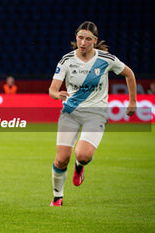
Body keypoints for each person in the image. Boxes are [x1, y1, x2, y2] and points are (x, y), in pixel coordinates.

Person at [48, 21, 137, 206]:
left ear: (94, 41)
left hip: (96, 113)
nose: (83, 42)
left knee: (82, 155)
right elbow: (52, 89)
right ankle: (57, 196)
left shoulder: (106, 59)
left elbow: (129, 74)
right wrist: (58, 94)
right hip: (70, 112)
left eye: (88, 39)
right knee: (61, 158)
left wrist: (133, 100)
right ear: (76, 38)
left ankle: (79, 167)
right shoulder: (66, 60)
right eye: (80, 37)